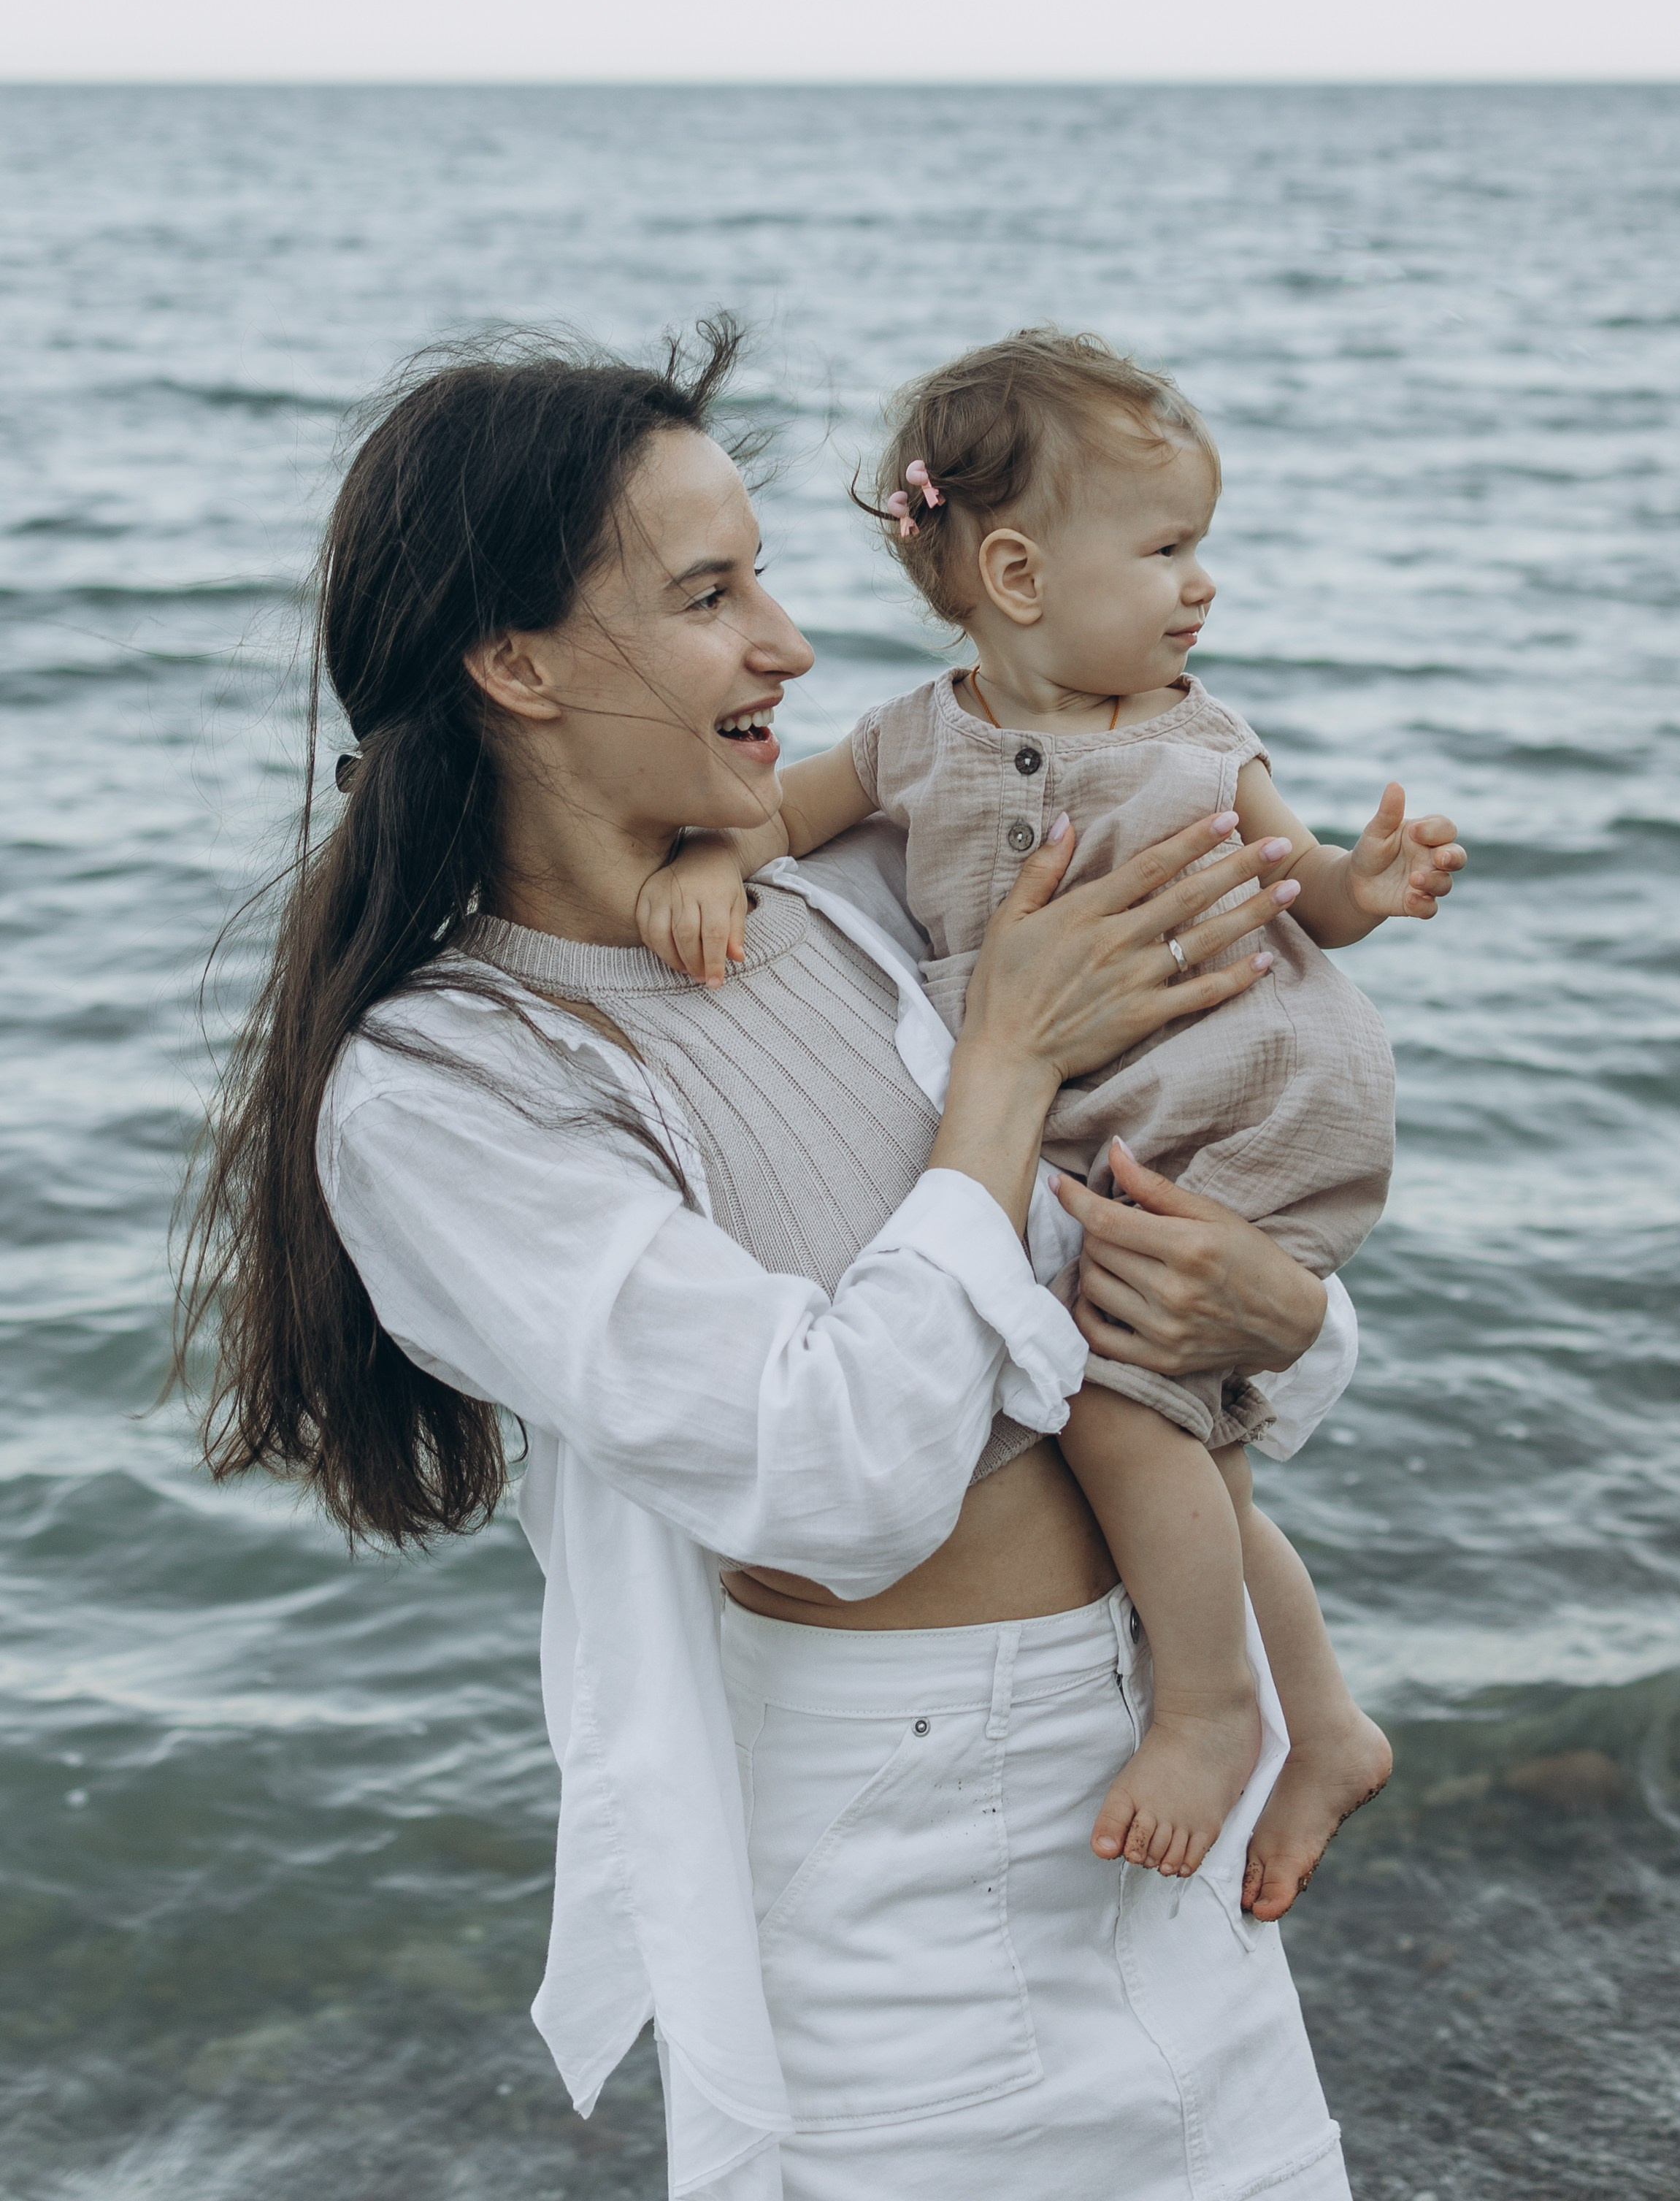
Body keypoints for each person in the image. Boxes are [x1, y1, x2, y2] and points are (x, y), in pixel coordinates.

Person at [180, 321, 1367, 2201]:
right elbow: (834, 1473)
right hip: (904, 1892)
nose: (793, 644)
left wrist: (1289, 1315)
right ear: (516, 662)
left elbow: (1173, 1262)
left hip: (1164, 1789)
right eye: (712, 592)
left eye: (770, 574)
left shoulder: (836, 898)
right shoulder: (446, 1090)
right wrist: (999, 1071)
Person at [639, 329, 1463, 1906]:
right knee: (1190, 1452)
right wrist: (698, 861)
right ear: (1014, 572)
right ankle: (1326, 1718)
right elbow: (779, 812)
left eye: (1198, 549)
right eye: (1165, 548)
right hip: (1132, 1124)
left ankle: (1213, 1704)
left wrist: (1373, 881)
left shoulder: (1202, 735)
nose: (1200, 585)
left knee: (1099, 1392)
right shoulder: (910, 738)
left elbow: (1314, 895)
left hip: (1238, 1103)